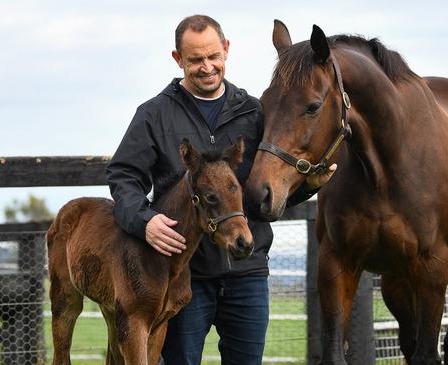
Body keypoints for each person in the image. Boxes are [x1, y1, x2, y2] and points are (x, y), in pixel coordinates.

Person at [106, 15, 335, 365]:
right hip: (182, 277)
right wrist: (144, 221)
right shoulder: (154, 115)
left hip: (249, 274)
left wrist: (307, 190)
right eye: (195, 59)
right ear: (177, 59)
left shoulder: (254, 112)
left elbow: (263, 196)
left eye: (213, 56)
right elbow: (124, 178)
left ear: (226, 50)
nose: (206, 67)